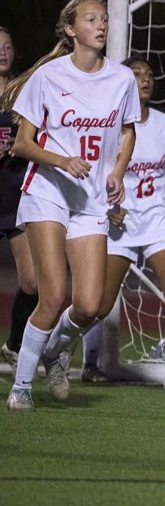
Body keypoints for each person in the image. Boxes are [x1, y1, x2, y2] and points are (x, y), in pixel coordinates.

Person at [2, 0, 139, 410]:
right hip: (47, 192)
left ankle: (56, 350)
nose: (101, 25)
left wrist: (117, 171)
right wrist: (62, 160)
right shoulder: (48, 76)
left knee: (90, 305)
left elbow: (128, 131)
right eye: (91, 19)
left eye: (104, 19)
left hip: (91, 199)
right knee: (52, 294)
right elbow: (22, 144)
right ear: (71, 29)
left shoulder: (121, 79)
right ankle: (22, 387)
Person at [80, 56, 165, 391]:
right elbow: (92, 174)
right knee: (99, 303)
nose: (145, 80)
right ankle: (81, 360)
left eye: (149, 75)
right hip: (120, 223)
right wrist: (107, 208)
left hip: (159, 219)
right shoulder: (108, 126)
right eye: (136, 74)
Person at [1, 27, 40, 367]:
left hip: (15, 197)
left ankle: (13, 346)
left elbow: (38, 137)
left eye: (8, 46)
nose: (3, 52)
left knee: (32, 280)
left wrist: (24, 145)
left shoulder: (24, 93)